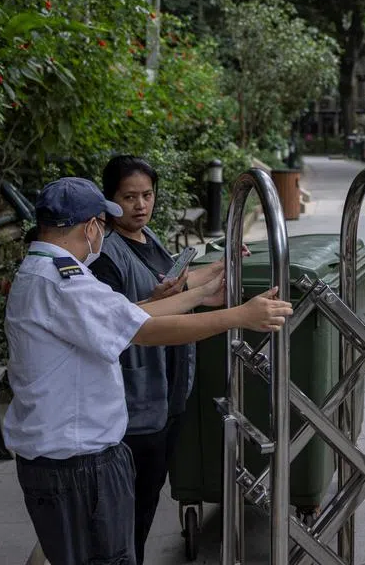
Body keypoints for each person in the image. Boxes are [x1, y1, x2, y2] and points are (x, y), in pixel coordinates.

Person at [3, 177, 291, 565]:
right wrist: (239, 316)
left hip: (66, 457)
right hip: (77, 464)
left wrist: (201, 295)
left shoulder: (46, 271)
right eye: (103, 225)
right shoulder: (63, 283)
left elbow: (127, 315)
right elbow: (145, 331)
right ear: (91, 227)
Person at [87, 155, 223, 564]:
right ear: (110, 202)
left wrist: (219, 267)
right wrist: (159, 300)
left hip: (169, 391)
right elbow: (112, 320)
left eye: (147, 195)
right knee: (132, 504)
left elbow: (173, 283)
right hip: (135, 400)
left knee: (148, 497)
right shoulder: (107, 255)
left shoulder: (148, 238)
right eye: (129, 197)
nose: (140, 205)